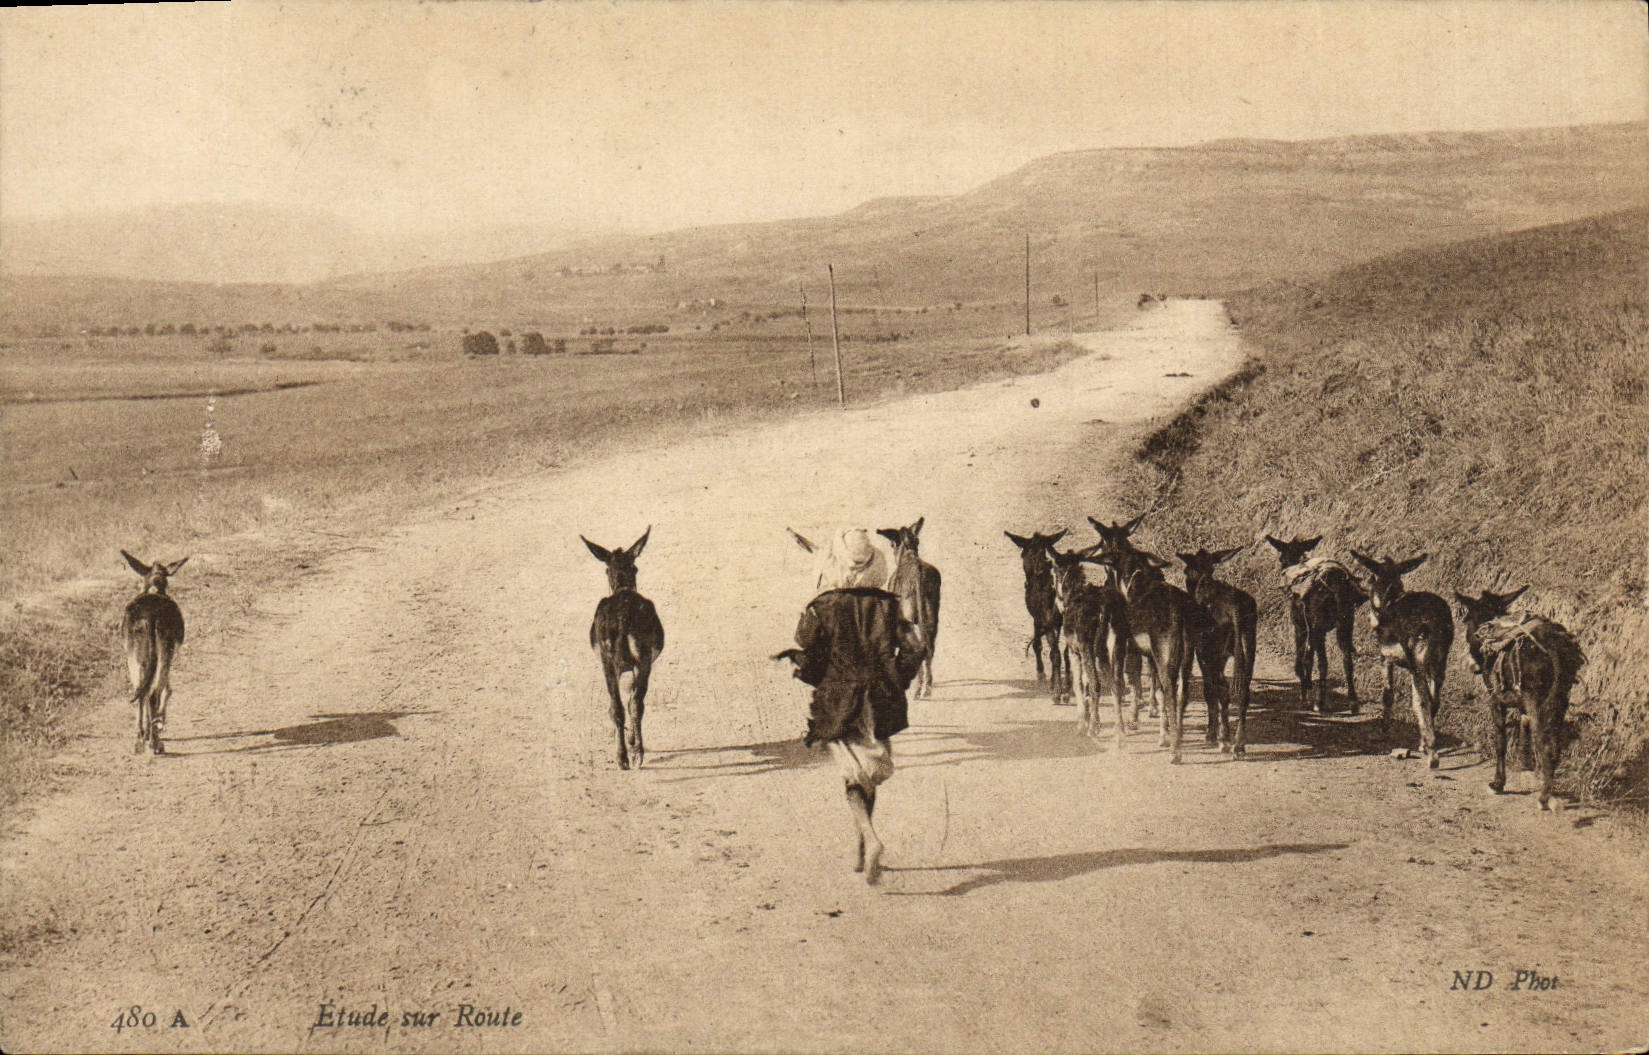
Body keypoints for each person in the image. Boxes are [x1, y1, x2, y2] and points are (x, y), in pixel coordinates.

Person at [775, 529, 924, 885]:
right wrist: (897, 680)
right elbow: (916, 649)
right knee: (868, 775)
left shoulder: (823, 605)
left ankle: (869, 839)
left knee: (852, 777)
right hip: (881, 698)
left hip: (841, 700)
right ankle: (860, 845)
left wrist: (809, 674)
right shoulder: (888, 605)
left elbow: (808, 652)